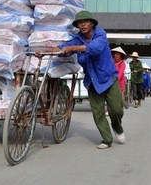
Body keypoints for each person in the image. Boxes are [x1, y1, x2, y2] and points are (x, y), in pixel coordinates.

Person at [43, 10, 125, 149]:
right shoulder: (77, 38)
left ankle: (117, 126)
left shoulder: (100, 34)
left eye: (85, 22)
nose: (82, 25)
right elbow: (63, 47)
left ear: (92, 23)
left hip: (108, 78)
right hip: (92, 80)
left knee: (116, 110)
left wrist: (73, 48)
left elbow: (95, 48)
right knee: (98, 112)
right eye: (80, 23)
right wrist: (44, 51)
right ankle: (107, 139)